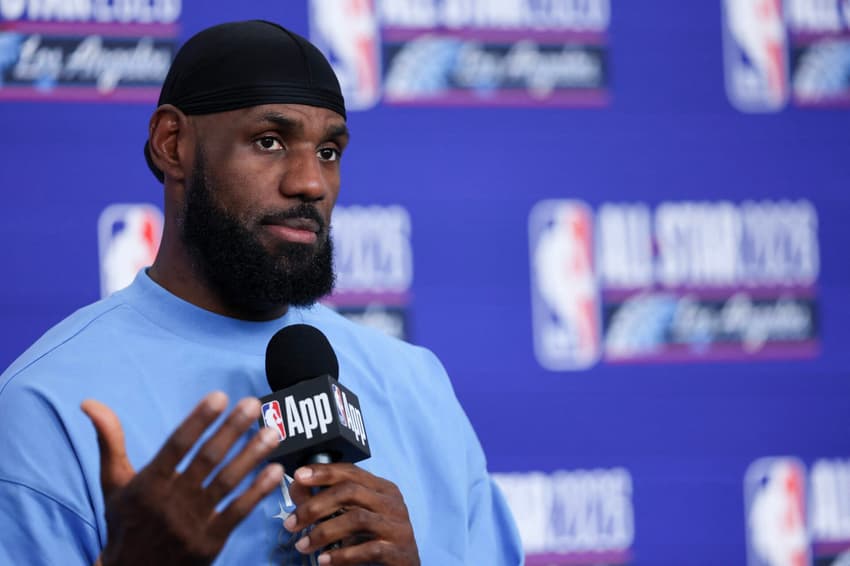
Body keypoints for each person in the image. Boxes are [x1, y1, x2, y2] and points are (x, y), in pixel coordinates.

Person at [0, 20, 523, 566]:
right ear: (172, 145)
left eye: (328, 151)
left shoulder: (416, 384)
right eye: (269, 141)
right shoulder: (50, 408)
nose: (310, 183)